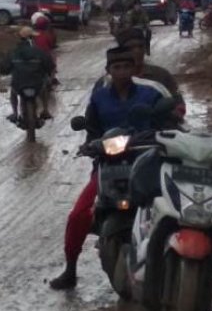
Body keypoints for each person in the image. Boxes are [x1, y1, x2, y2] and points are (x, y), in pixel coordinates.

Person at [49, 47, 164, 290]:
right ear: (108, 71)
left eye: (126, 67)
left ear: (135, 69)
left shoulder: (150, 94)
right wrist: (90, 145)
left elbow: (167, 121)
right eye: (116, 67)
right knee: (79, 214)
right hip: (110, 166)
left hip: (147, 164)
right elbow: (91, 128)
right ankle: (70, 269)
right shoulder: (99, 97)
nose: (122, 71)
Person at [94, 28, 186, 121]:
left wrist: (176, 113)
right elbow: (94, 116)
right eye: (131, 47)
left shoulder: (160, 75)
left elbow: (177, 101)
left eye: (140, 46)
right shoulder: (106, 83)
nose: (137, 51)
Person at [0, 27, 55, 123]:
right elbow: (49, 65)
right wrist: (48, 73)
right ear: (32, 38)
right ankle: (45, 110)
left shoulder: (13, 52)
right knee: (44, 87)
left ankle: (15, 113)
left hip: (18, 84)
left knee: (13, 92)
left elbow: (4, 68)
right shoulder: (39, 52)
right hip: (36, 83)